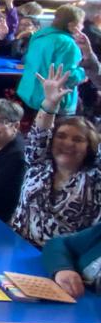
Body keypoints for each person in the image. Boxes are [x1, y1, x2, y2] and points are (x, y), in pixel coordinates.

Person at [11, 65, 101, 247]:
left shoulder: (95, 179)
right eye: (61, 136)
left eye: (77, 140)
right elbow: (39, 133)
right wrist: (50, 103)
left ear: (89, 147)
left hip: (63, 262)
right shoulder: (38, 164)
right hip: (17, 245)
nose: (67, 143)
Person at [17, 4, 86, 116]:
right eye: (81, 23)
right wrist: (83, 73)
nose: (83, 26)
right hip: (53, 100)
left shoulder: (39, 36)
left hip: (29, 93)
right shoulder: (68, 43)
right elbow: (67, 76)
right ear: (72, 25)